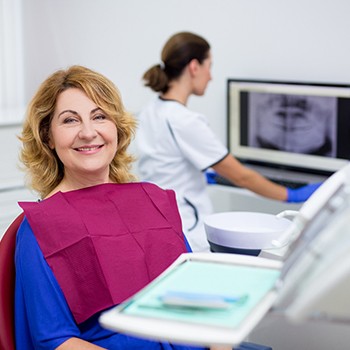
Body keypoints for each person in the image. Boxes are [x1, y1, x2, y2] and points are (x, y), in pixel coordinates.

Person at [15, 65, 241, 350]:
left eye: (99, 116)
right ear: (48, 136)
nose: (88, 132)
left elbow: (197, 298)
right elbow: (55, 340)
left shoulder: (154, 201)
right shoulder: (41, 226)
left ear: (118, 130)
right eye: (70, 121)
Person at [136, 32, 321, 252]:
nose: (211, 76)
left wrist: (196, 174)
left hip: (160, 224)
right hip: (188, 229)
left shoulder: (150, 110)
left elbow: (163, 163)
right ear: (194, 67)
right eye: (209, 66)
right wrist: (290, 195)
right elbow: (242, 176)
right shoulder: (185, 121)